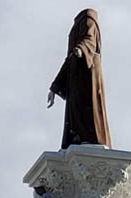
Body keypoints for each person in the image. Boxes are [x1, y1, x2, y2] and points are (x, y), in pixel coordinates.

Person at [47, 8, 111, 149]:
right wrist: (54, 87)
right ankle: (78, 137)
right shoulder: (74, 54)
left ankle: (90, 138)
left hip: (89, 73)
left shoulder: (89, 20)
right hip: (76, 76)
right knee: (76, 110)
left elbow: (89, 39)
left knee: (90, 108)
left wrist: (81, 49)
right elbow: (68, 61)